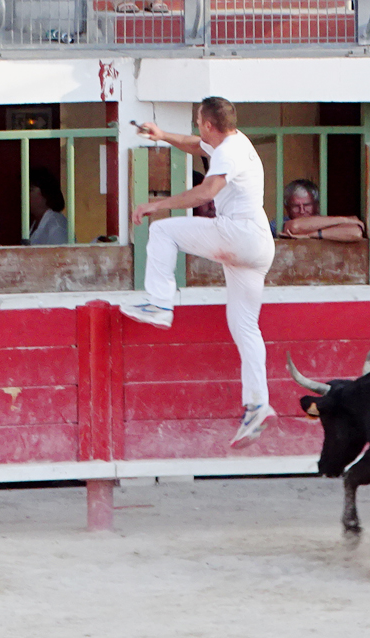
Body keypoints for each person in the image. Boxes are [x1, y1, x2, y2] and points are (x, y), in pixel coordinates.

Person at [124, 96, 278, 450]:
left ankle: (160, 304)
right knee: (244, 326)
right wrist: (162, 134)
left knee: (163, 231)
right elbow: (196, 145)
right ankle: (257, 403)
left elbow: (207, 192)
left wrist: (156, 205)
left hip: (237, 233)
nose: (196, 126)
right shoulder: (235, 141)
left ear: (209, 123)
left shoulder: (226, 153)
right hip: (258, 244)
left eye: (198, 119)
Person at [278, 179, 365, 242]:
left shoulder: (324, 222)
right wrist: (345, 220)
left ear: (316, 205)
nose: (302, 210)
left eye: (307, 205)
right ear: (287, 207)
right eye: (295, 206)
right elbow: (295, 226)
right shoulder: (278, 224)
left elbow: (355, 232)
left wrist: (310, 235)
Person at [28, 167, 69, 245]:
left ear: (45, 192)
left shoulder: (57, 226)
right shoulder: (37, 221)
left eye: (30, 190)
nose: (24, 195)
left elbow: (62, 255)